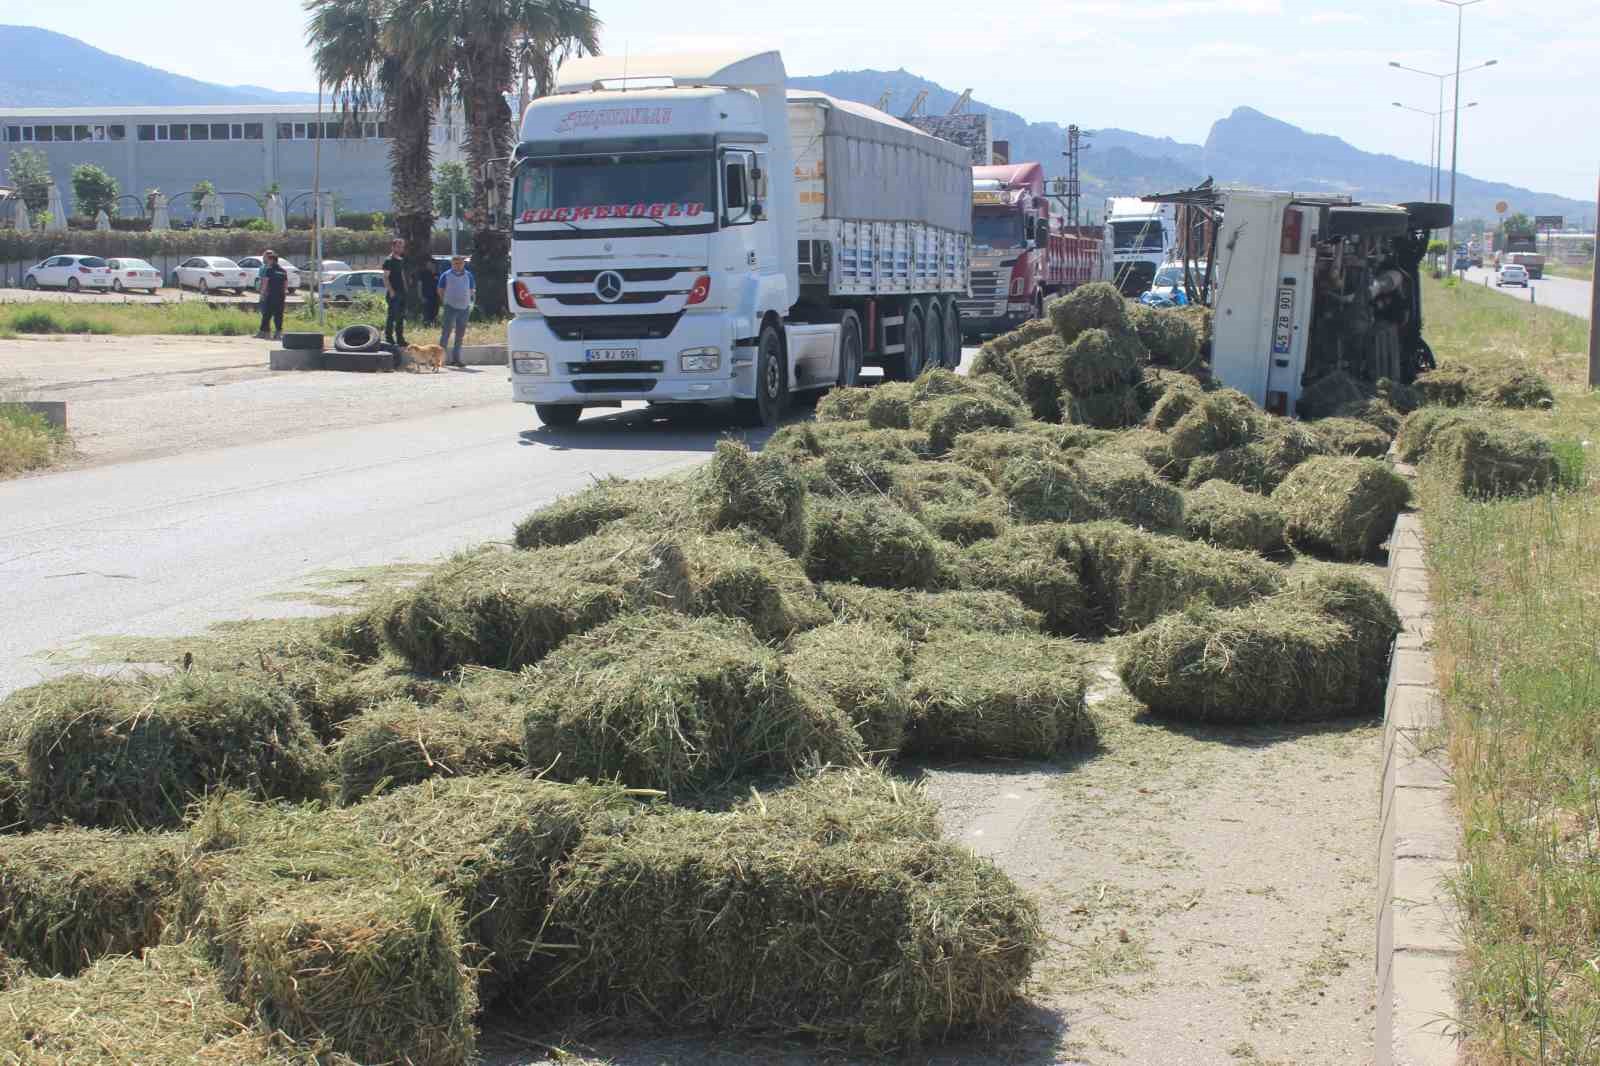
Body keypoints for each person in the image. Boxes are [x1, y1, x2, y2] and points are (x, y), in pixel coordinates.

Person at [437, 254, 475, 367]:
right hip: (450, 307)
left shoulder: (469, 275)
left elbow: (472, 289)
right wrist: (445, 302)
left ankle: (456, 359)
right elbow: (440, 289)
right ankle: (440, 360)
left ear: (464, 264)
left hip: (464, 308)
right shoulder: (446, 275)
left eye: (460, 263)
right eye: (455, 263)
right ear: (452, 264)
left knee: (460, 335)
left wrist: (469, 301)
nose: (458, 265)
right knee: (446, 333)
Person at [380, 237, 408, 346]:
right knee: (391, 317)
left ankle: (400, 339)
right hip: (394, 293)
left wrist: (405, 288)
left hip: (402, 292)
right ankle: (389, 338)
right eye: (398, 246)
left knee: (400, 317)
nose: (400, 248)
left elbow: (401, 275)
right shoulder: (389, 260)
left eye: (402, 246)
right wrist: (391, 291)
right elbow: (385, 278)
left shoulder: (401, 260)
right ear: (393, 247)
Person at [255, 250, 289, 340]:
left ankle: (262, 332)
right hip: (280, 296)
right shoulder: (283, 271)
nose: (268, 262)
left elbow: (265, 283)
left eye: (269, 260)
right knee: (279, 315)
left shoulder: (269, 270)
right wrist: (284, 295)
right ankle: (278, 333)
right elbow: (285, 285)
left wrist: (262, 294)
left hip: (271, 296)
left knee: (267, 314)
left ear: (272, 260)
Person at [416, 258, 440, 326]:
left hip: (436, 297)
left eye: (433, 264)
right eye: (429, 264)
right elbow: (419, 285)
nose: (431, 266)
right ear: (427, 265)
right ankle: (426, 325)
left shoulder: (437, 273)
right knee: (426, 313)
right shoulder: (422, 273)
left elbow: (440, 285)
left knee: (435, 313)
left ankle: (434, 325)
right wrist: (420, 296)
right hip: (426, 296)